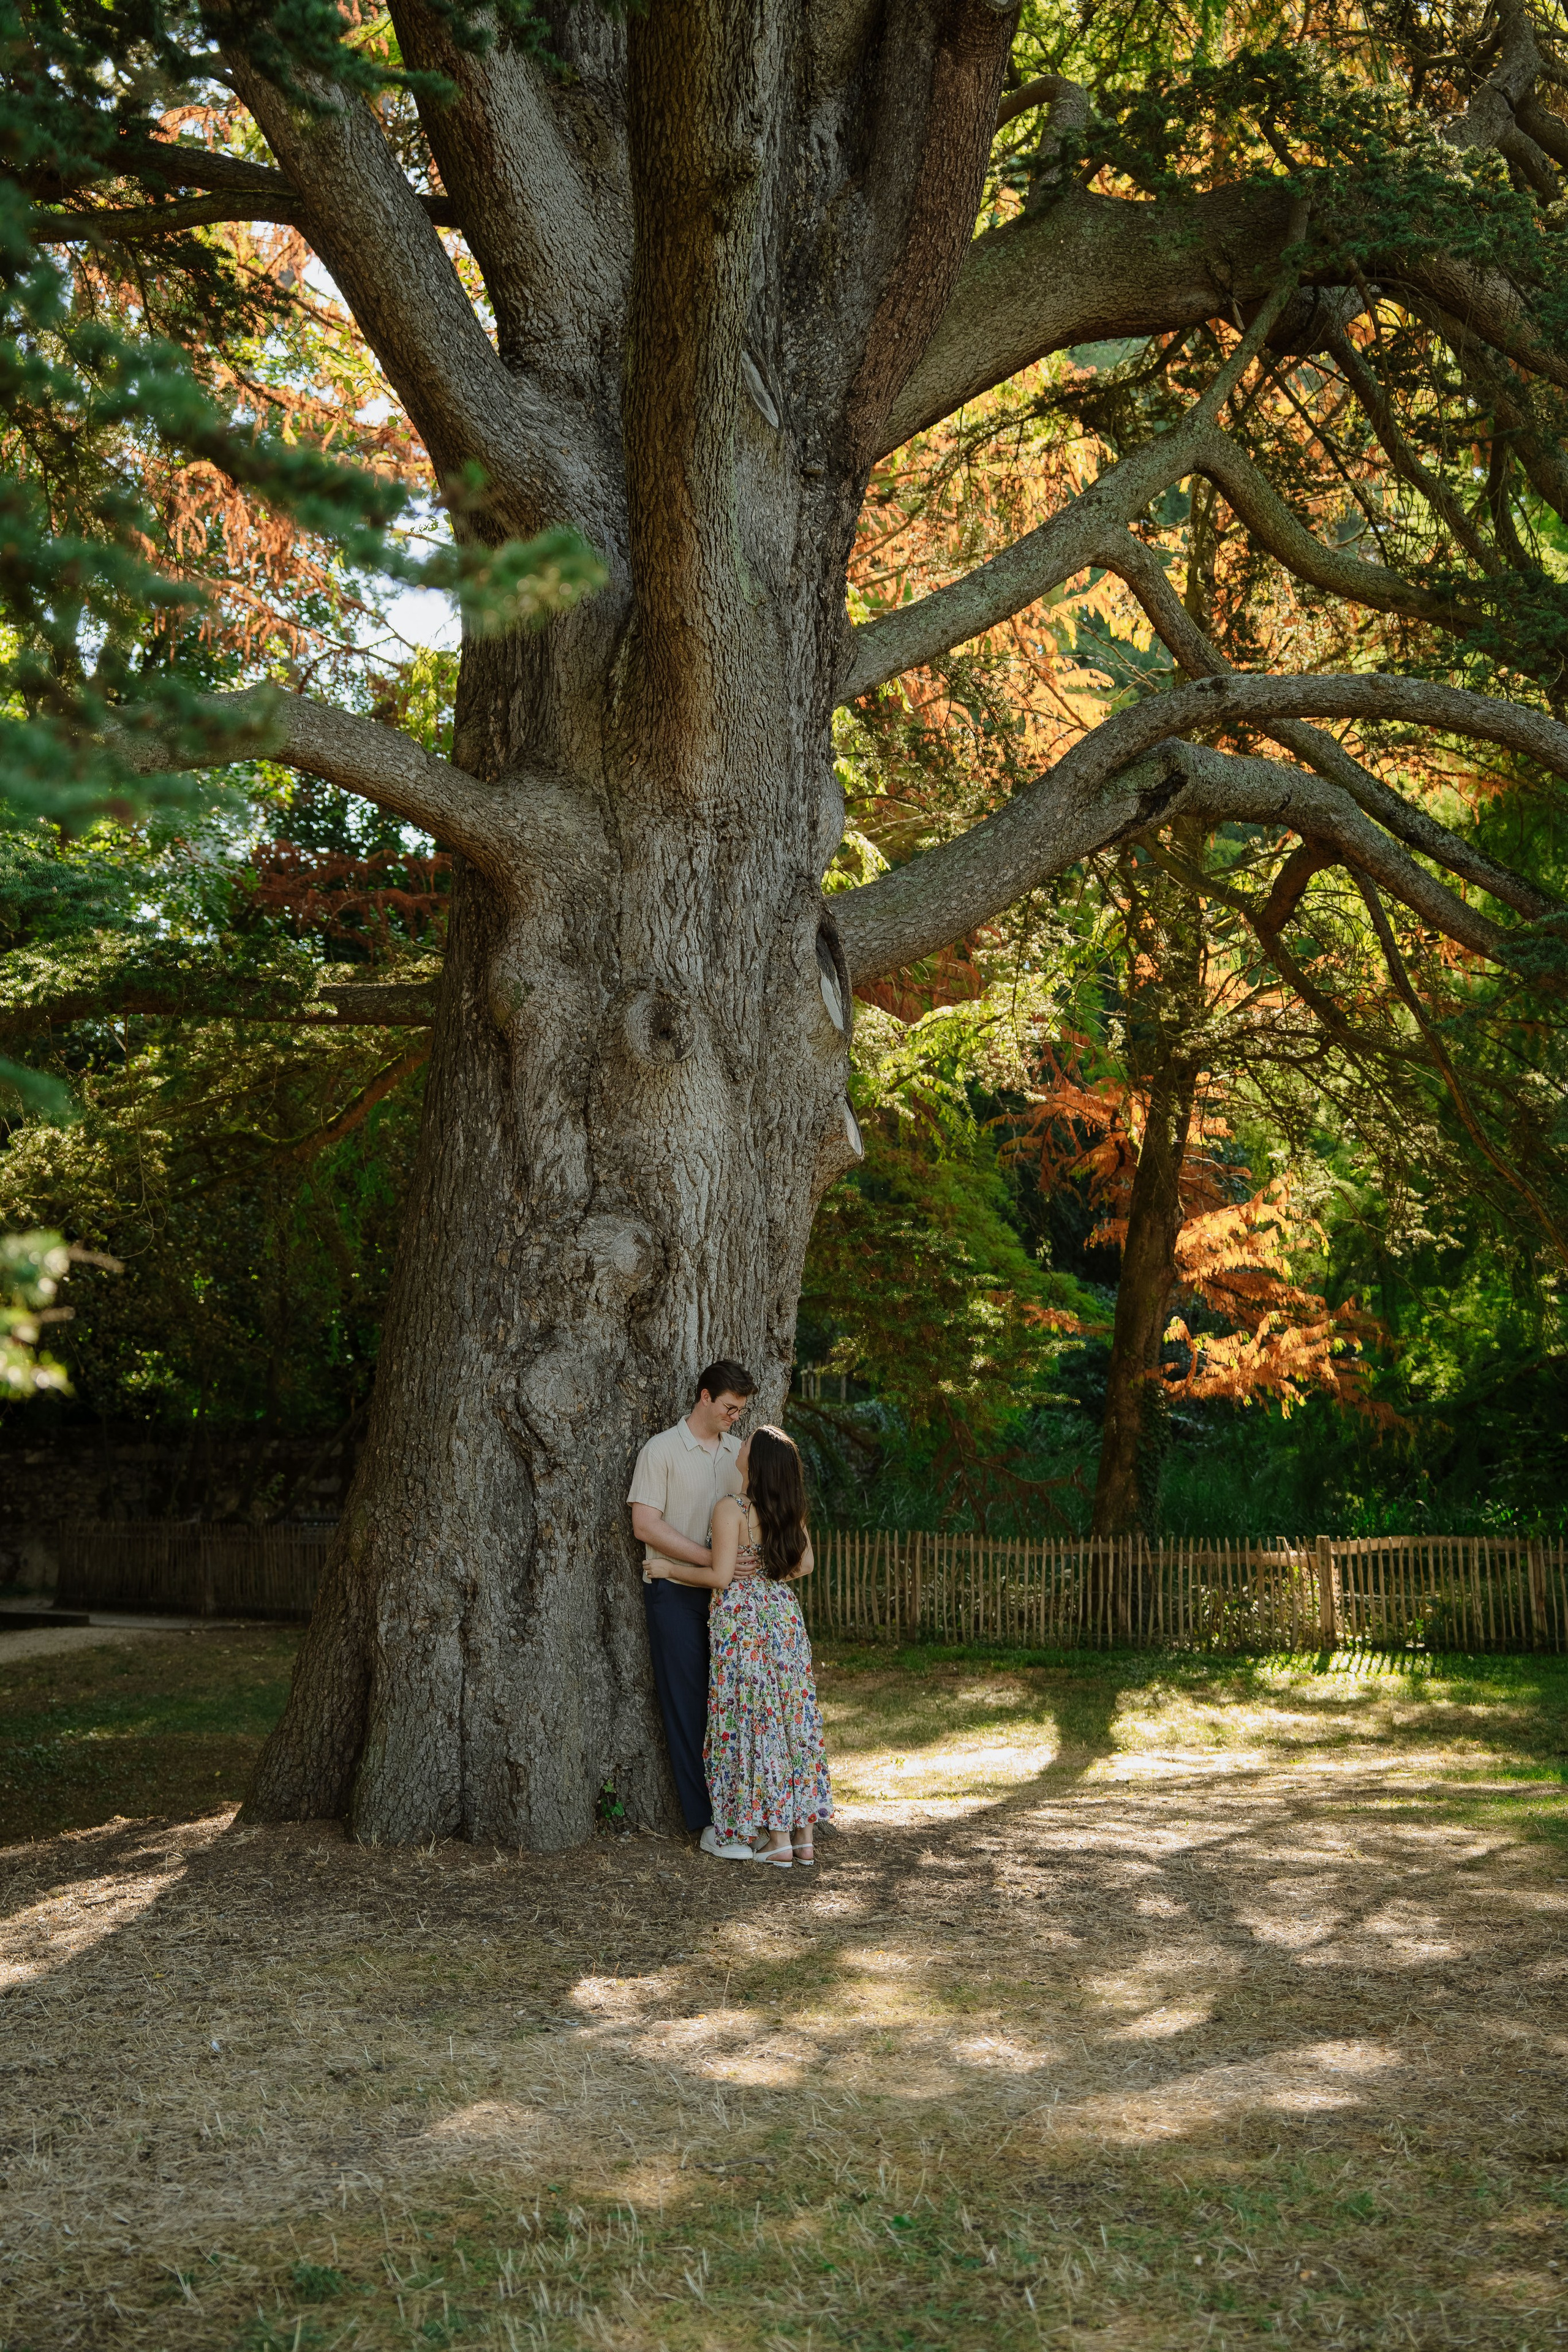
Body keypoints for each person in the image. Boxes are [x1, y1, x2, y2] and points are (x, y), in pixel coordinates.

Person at [644, 1423, 833, 1868]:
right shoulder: (789, 1507)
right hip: (783, 1618)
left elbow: (720, 1576)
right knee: (793, 1719)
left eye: (748, 1441)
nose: (741, 1442)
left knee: (754, 1720)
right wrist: (770, 1571)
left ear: (756, 1461)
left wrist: (668, 1569)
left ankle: (776, 1839)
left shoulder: (732, 1508)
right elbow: (805, 1564)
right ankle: (804, 1838)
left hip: (743, 1623)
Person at [628, 1360, 758, 1860]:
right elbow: (646, 1525)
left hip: (731, 1599)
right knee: (688, 1705)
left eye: (740, 1411)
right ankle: (710, 1825)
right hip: (675, 1593)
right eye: (729, 1407)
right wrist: (712, 1560)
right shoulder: (660, 1450)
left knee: (734, 1706)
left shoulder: (738, 1455)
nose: (734, 1417)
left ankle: (746, 1814)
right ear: (705, 1396)